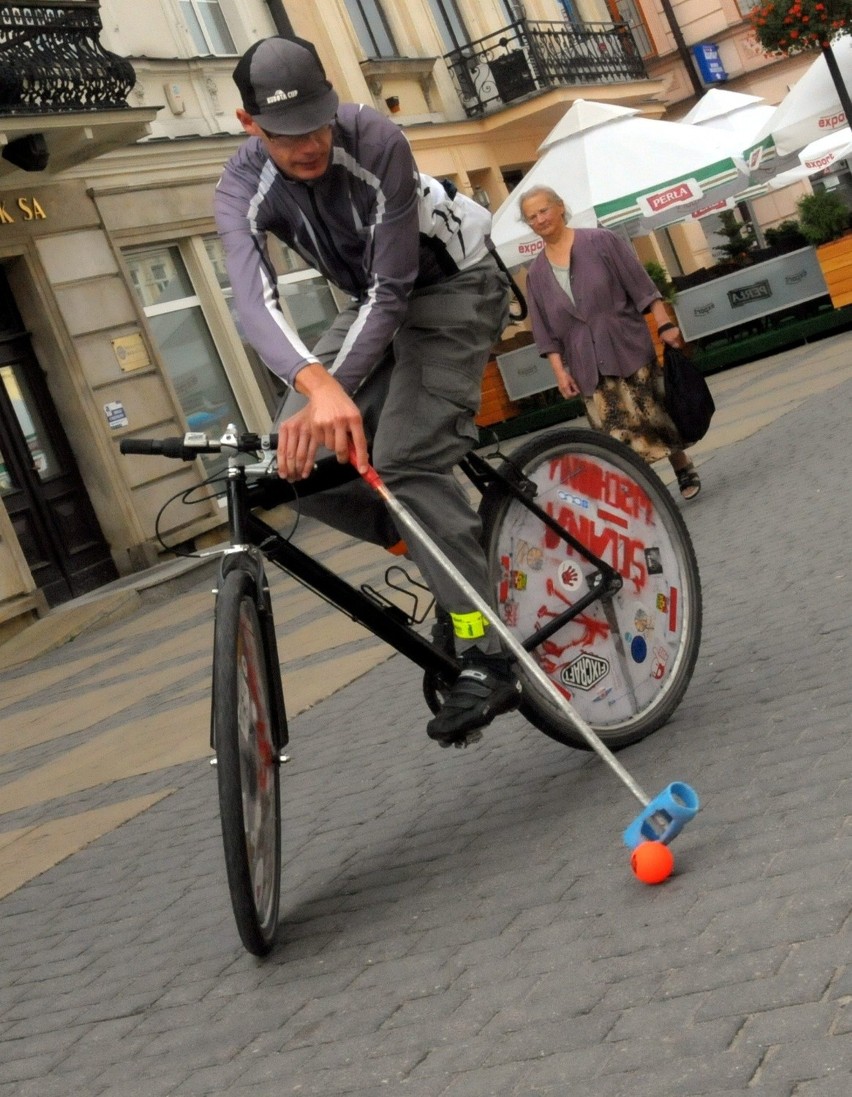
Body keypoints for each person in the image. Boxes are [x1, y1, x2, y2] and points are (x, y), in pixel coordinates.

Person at [214, 36, 521, 747]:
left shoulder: (375, 138)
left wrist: (332, 389)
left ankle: (486, 646)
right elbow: (253, 302)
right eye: (287, 133)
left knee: (407, 460)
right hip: (367, 301)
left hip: (452, 283)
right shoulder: (240, 185)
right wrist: (316, 387)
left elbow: (394, 288)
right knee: (290, 465)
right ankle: (430, 545)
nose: (309, 144)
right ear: (249, 123)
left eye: (318, 122)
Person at [518, 186, 701, 499]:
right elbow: (545, 330)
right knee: (615, 435)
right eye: (531, 217)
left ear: (560, 207)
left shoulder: (600, 241)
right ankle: (646, 494)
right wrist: (560, 372)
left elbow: (641, 285)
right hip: (585, 364)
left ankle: (681, 465)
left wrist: (665, 323)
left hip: (626, 346)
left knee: (654, 415)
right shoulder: (536, 273)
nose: (540, 220)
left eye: (543, 210)